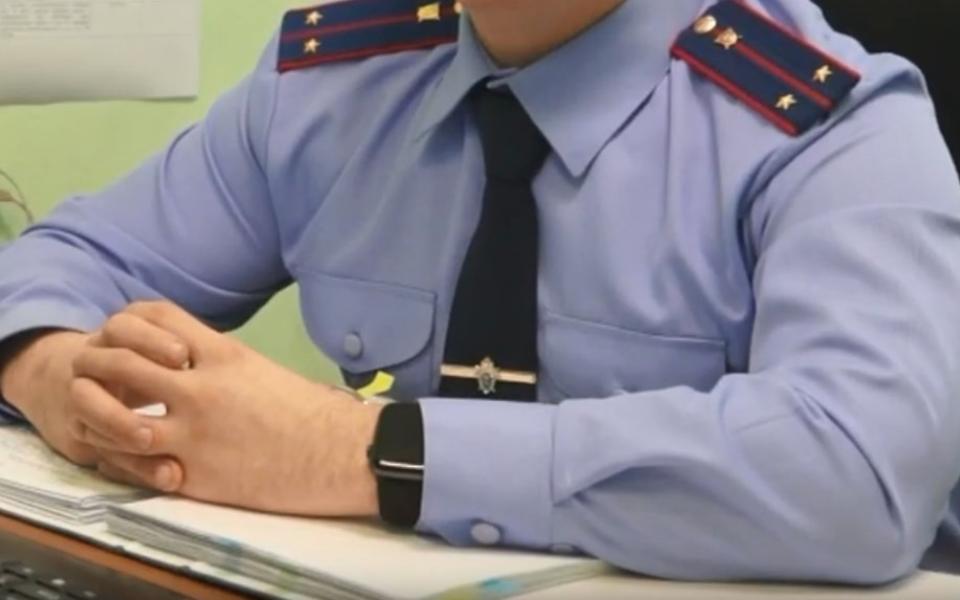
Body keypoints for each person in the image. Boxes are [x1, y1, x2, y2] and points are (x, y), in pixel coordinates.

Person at [0, 0, 958, 584]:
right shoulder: (335, 85)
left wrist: (350, 451)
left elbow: (862, 471)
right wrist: (56, 374)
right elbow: (67, 261)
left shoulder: (829, 123)